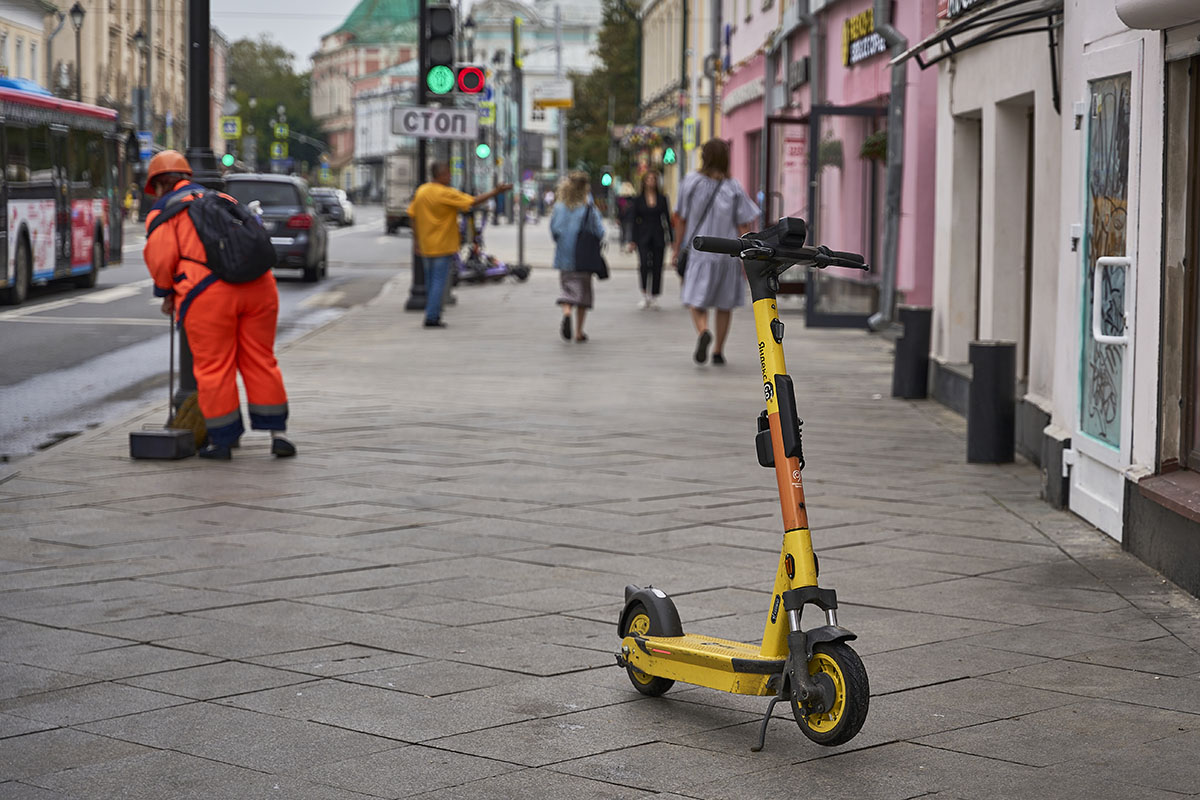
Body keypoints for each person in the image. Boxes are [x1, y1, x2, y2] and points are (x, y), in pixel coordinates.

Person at [141, 150, 294, 460]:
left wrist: (166, 292)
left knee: (215, 367)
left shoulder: (165, 213)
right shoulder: (225, 200)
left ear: (157, 185)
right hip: (260, 287)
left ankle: (222, 441)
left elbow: (161, 261)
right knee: (260, 359)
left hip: (208, 295)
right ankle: (278, 435)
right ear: (186, 177)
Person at [672, 139, 760, 366]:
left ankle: (703, 331)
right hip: (728, 254)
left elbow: (680, 218)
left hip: (699, 252)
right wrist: (748, 254)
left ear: (704, 156)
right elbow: (744, 224)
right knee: (724, 304)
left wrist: (676, 248)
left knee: (694, 299)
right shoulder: (734, 187)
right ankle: (719, 351)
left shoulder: (690, 182)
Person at [407, 163, 512, 328]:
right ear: (441, 175)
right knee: (438, 282)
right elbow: (473, 201)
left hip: (426, 244)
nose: (450, 177)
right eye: (448, 174)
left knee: (430, 281)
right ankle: (432, 317)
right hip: (442, 245)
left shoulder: (422, 191)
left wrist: (416, 241)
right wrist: (495, 192)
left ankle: (431, 310)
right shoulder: (445, 193)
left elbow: (412, 215)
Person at [550, 171, 606, 343]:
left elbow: (554, 230)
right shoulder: (588, 207)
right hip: (584, 256)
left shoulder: (559, 207)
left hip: (564, 256)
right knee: (583, 294)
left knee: (567, 288)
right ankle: (579, 332)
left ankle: (567, 312)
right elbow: (600, 231)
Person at [625, 170, 672, 309]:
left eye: (653, 179)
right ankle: (645, 293)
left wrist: (671, 238)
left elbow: (667, 219)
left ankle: (655, 295)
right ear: (644, 182)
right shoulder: (638, 199)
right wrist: (632, 240)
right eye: (649, 179)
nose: (651, 181)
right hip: (642, 235)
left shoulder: (662, 198)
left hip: (658, 235)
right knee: (644, 264)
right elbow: (633, 220)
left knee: (658, 265)